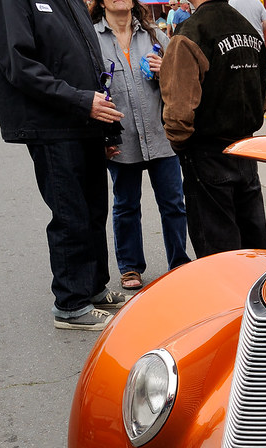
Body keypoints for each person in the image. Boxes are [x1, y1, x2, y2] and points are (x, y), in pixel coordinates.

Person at [0, 0, 129, 330]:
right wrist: (82, 101)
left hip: (84, 121)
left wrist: (107, 129)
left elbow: (91, 62)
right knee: (71, 214)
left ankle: (94, 287)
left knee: (94, 209)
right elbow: (19, 65)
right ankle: (70, 304)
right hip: (51, 124)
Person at [91, 0, 191, 291]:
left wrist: (166, 72)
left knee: (173, 204)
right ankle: (130, 267)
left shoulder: (154, 35)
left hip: (161, 137)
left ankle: (179, 263)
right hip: (121, 139)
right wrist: (102, 138)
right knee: (126, 206)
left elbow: (182, 79)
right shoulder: (92, 38)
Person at [160, 0, 266, 258]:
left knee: (217, 247)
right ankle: (259, 293)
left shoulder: (192, 32)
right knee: (254, 241)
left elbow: (179, 106)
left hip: (208, 149)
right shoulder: (248, 29)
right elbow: (262, 95)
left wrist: (180, 143)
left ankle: (226, 297)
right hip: (244, 146)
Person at [229, 0, 266, 103]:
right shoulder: (257, 2)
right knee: (260, 70)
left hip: (240, 40)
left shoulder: (232, 2)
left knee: (242, 70)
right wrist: (257, 29)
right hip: (258, 41)